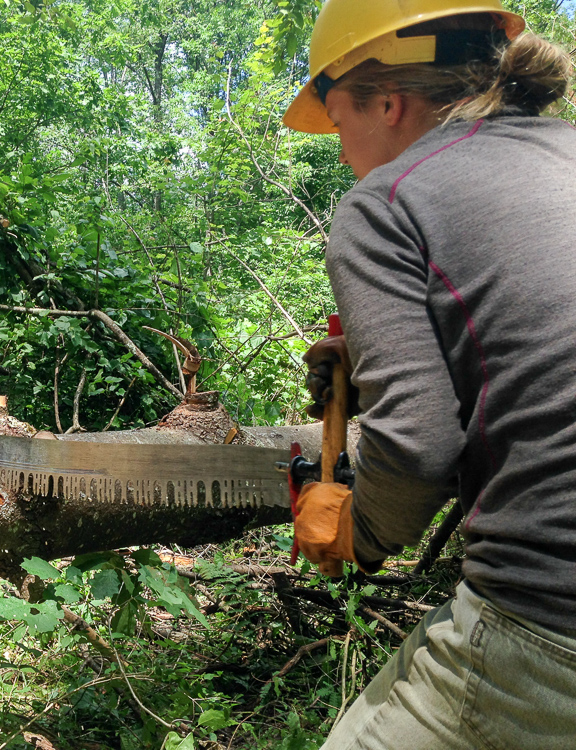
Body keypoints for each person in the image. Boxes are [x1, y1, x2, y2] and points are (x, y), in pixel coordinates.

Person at [282, 1, 576, 748]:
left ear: (388, 101)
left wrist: (358, 531)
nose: (341, 145)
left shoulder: (384, 202)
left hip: (550, 618)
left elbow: (416, 448)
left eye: (339, 117)